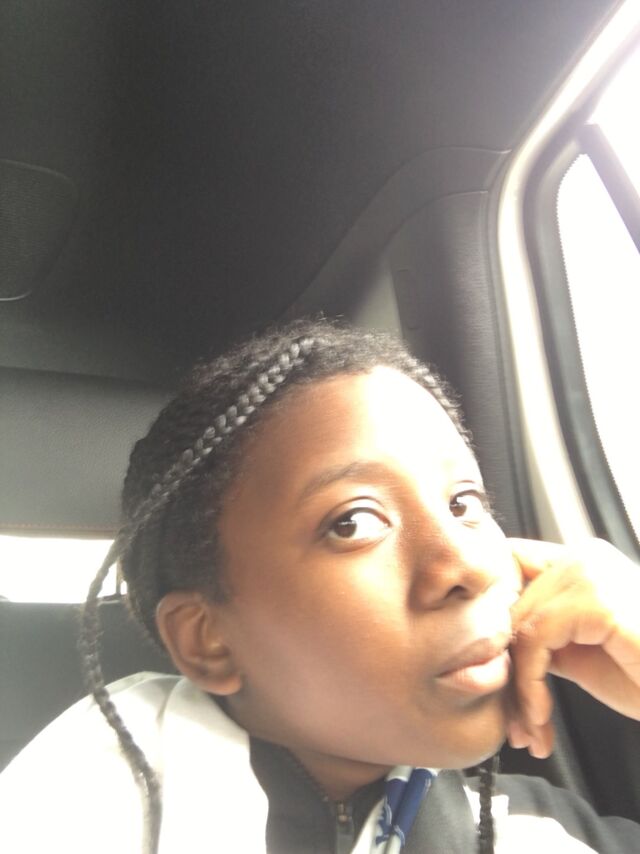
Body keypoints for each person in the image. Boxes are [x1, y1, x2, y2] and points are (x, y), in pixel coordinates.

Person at [1, 318, 639, 854]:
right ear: (208, 641)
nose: (469, 566)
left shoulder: (536, 831)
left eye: (464, 503)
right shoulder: (69, 814)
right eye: (352, 522)